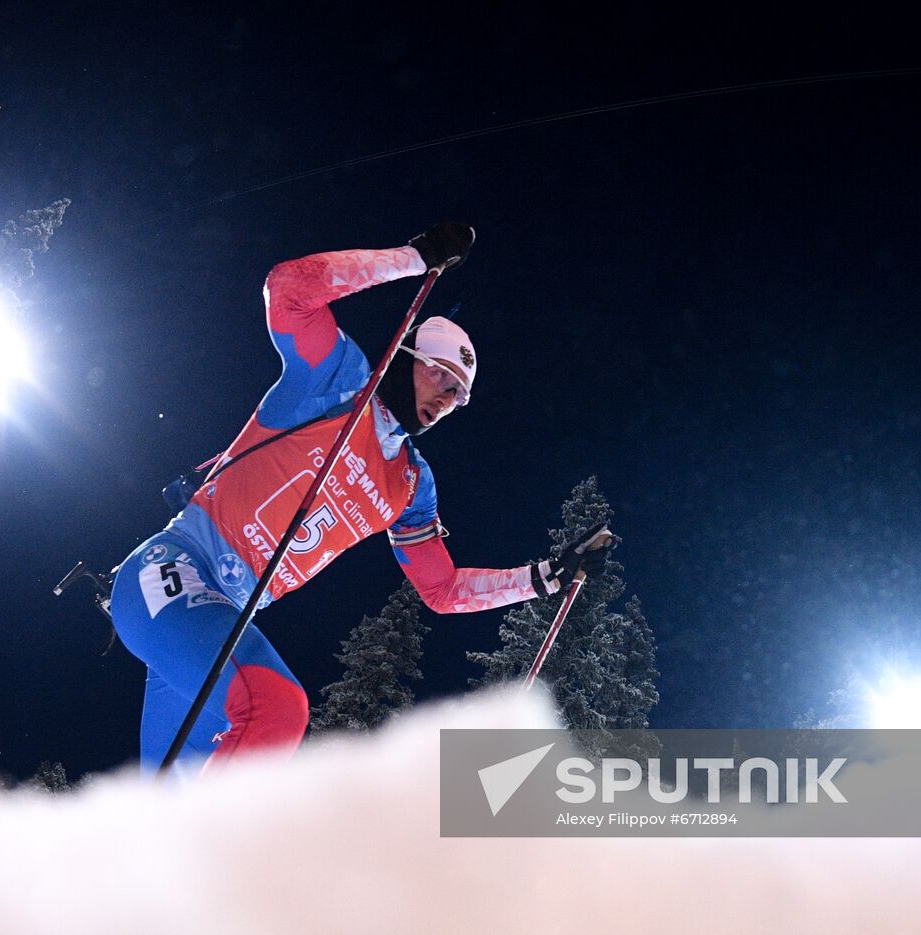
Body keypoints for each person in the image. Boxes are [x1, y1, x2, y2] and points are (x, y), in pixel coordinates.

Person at [110, 223, 612, 775]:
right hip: (174, 568)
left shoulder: (410, 483)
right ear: (403, 355)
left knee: (167, 810)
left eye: (458, 395)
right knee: (277, 706)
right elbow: (288, 288)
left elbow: (441, 590)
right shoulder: (339, 378)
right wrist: (412, 258)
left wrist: (542, 577)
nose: (447, 398)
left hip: (218, 620)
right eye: (440, 374)